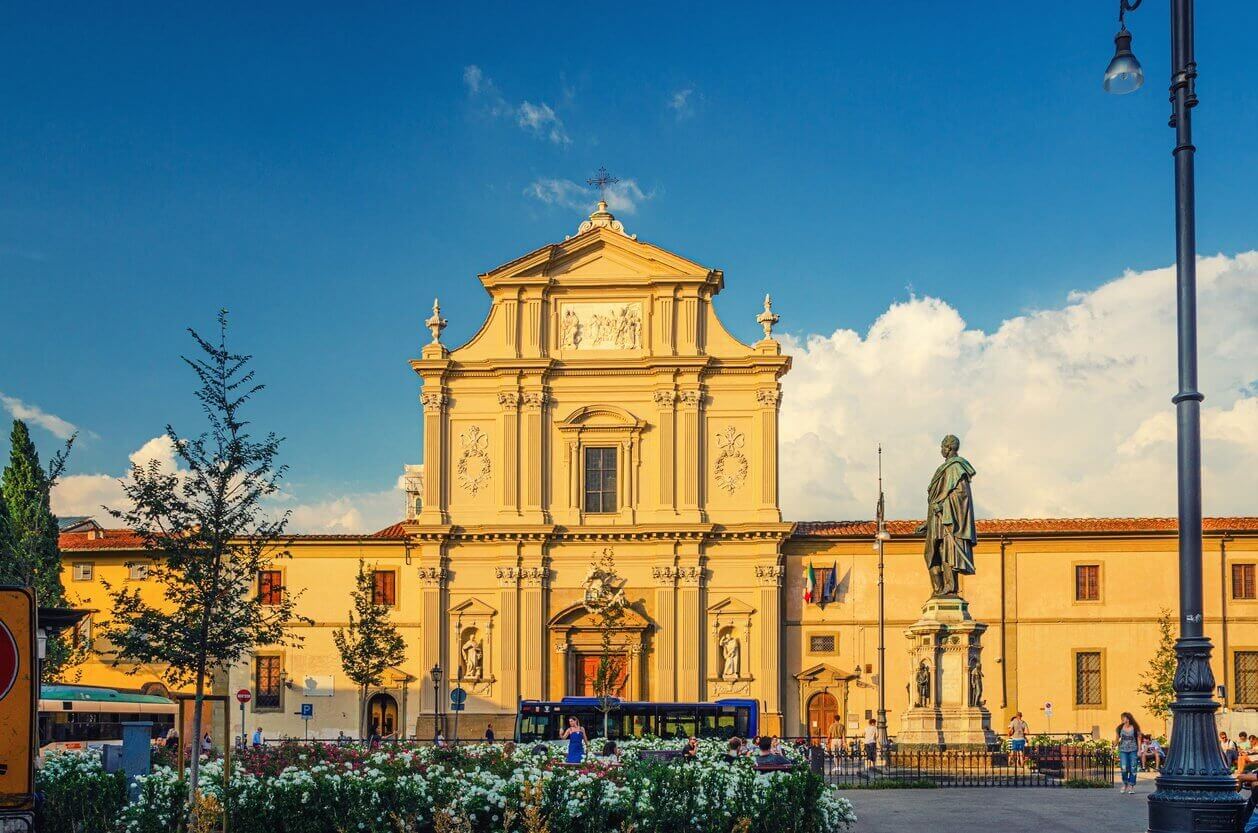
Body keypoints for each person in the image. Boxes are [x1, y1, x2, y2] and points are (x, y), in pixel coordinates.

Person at [1115, 712, 1141, 794]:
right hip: (1123, 751)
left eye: (1124, 718)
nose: (1122, 719)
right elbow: (1117, 739)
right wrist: (1113, 746)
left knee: (1133, 768)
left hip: (1133, 750)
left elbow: (1139, 739)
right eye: (1122, 718)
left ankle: (1131, 786)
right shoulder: (1119, 728)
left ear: (1128, 718)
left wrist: (1139, 750)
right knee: (1124, 768)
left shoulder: (1135, 728)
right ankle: (1125, 783)